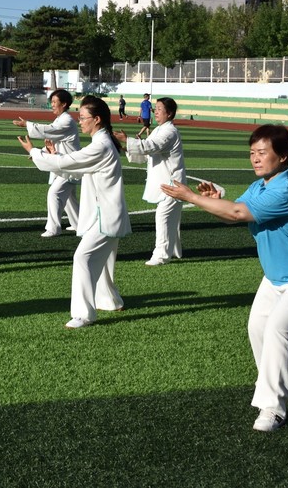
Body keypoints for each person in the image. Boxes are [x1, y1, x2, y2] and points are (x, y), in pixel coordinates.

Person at [161, 124, 288, 433]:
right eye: (252, 153)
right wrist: (210, 199)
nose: (255, 159)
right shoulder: (261, 186)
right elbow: (234, 212)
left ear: (284, 155)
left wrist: (192, 198)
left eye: (262, 153)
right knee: (257, 328)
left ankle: (273, 408)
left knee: (277, 331)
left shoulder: (284, 190)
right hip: (275, 277)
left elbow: (238, 213)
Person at [18, 95, 130, 328]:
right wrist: (53, 156)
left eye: (84, 118)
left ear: (97, 119)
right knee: (101, 262)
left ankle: (84, 314)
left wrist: (35, 153)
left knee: (83, 258)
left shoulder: (101, 145)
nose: (80, 122)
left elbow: (67, 164)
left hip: (104, 216)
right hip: (105, 214)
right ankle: (111, 301)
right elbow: (76, 169)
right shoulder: (102, 143)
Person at [122, 97, 185, 266]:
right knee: (170, 220)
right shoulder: (159, 130)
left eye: (159, 109)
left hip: (172, 185)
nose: (155, 112)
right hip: (167, 184)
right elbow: (146, 153)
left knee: (164, 218)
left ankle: (161, 256)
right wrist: (126, 146)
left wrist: (127, 141)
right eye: (155, 109)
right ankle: (174, 252)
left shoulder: (169, 132)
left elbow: (150, 147)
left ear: (169, 113)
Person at [12, 89, 79, 237]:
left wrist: (27, 124)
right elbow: (53, 140)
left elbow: (50, 131)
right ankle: (79, 224)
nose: (52, 105)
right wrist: (39, 152)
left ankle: (53, 228)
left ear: (64, 104)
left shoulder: (66, 120)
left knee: (54, 193)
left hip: (68, 165)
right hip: (62, 163)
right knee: (68, 197)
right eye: (52, 102)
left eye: (55, 102)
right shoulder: (61, 119)